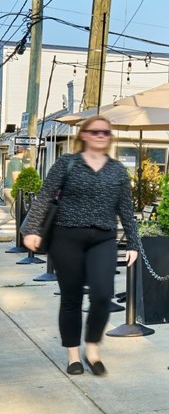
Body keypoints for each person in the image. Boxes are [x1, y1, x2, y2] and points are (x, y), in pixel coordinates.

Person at [22, 116, 140, 377]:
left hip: (103, 238)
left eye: (105, 132)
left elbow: (126, 209)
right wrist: (31, 230)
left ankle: (92, 349)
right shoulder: (67, 163)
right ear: (84, 135)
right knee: (72, 297)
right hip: (66, 237)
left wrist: (134, 242)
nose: (101, 136)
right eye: (95, 131)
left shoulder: (117, 170)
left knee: (102, 295)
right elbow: (45, 197)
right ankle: (73, 355)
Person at [3, 147, 25, 223]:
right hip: (12, 189)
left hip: (8, 189)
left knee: (10, 216)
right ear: (23, 152)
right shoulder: (16, 162)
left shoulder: (13, 160)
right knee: (17, 214)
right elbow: (16, 177)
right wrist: (20, 191)